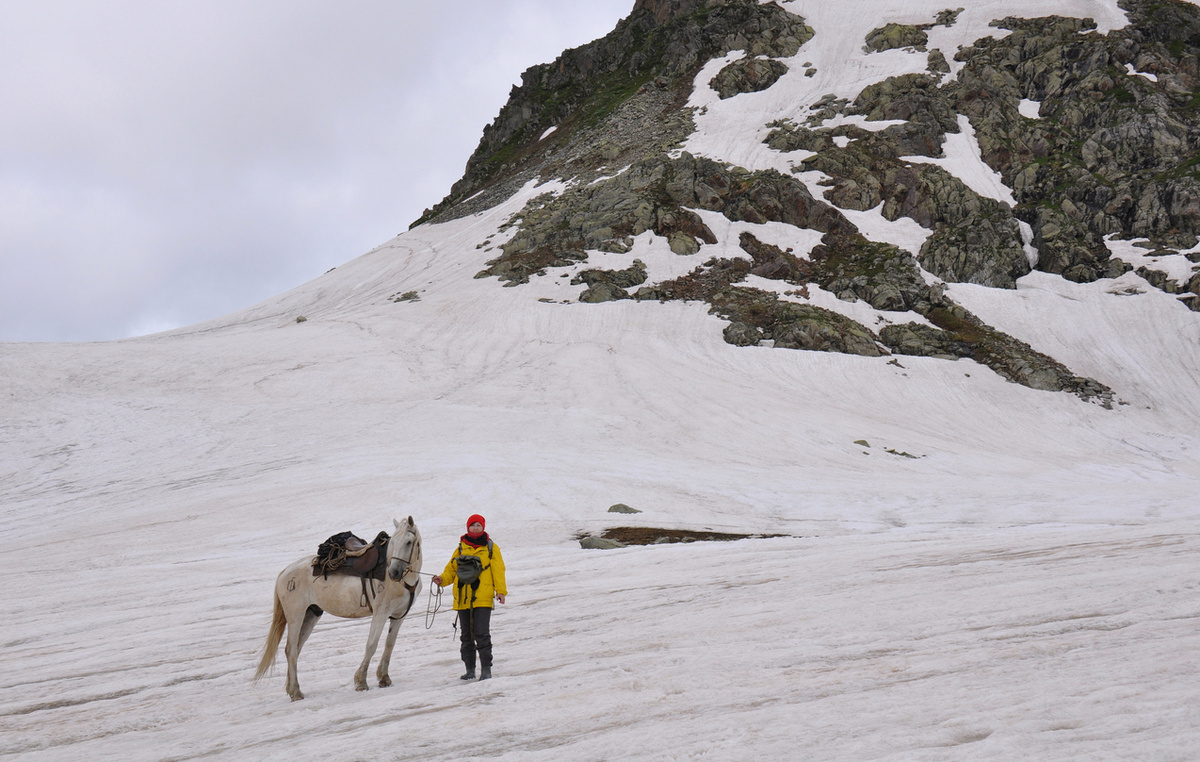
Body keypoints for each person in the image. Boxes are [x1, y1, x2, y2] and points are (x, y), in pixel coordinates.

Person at [431, 514, 507, 680]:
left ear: (483, 527)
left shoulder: (491, 548)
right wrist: (442, 580)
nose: (475, 528)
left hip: (483, 597)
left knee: (481, 634)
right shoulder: (460, 548)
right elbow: (451, 570)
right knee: (466, 636)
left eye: (478, 525)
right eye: (473, 525)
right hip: (463, 598)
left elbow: (498, 571)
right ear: (468, 527)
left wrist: (500, 591)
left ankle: (486, 670)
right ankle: (470, 670)